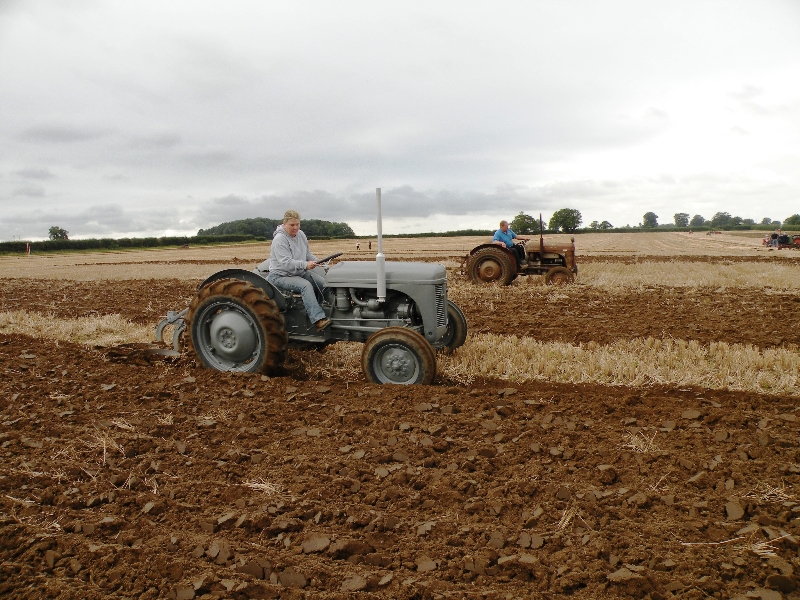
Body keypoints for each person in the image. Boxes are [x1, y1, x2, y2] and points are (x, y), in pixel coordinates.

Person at [261, 210, 331, 331]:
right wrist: (305, 265)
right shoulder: (279, 239)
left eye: (297, 224)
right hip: (280, 276)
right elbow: (286, 263)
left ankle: (332, 312)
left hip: (298, 272)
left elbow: (307, 254)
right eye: (292, 225)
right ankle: (318, 319)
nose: (295, 228)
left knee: (325, 284)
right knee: (306, 286)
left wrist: (319, 262)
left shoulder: (301, 235)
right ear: (284, 224)